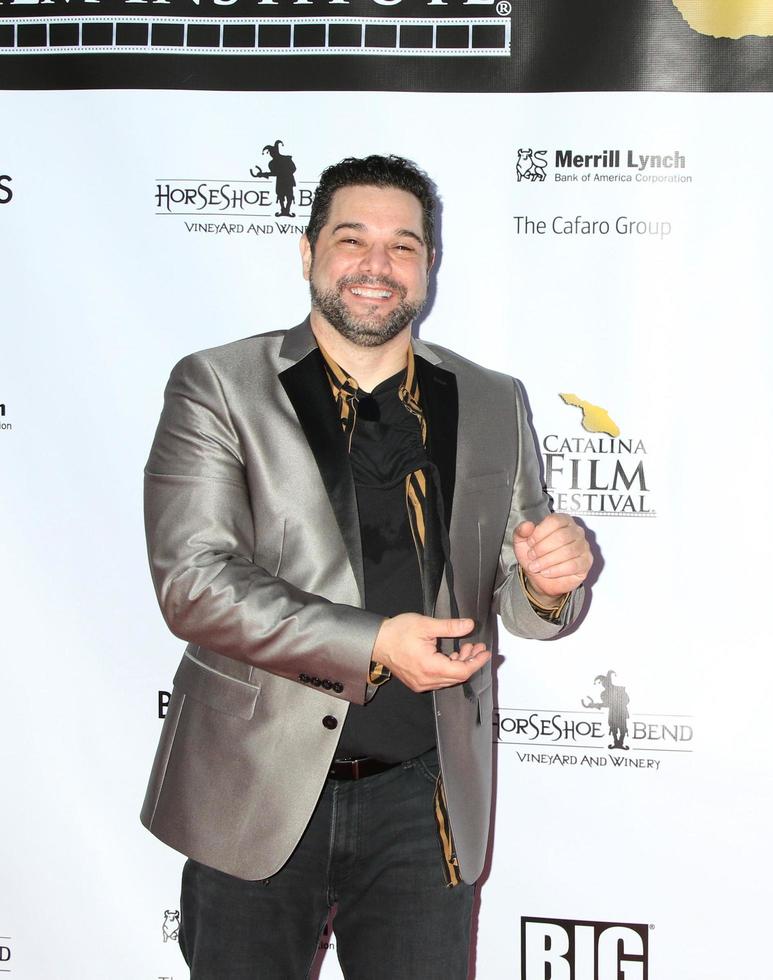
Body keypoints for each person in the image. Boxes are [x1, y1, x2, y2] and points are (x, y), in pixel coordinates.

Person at [141, 154, 592, 977]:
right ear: (307, 253)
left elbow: (516, 596)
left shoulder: (492, 399)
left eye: (404, 246)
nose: (377, 266)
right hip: (257, 790)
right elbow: (194, 583)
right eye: (352, 240)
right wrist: (375, 643)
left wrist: (543, 582)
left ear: (429, 267)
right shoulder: (218, 386)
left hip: (425, 801)